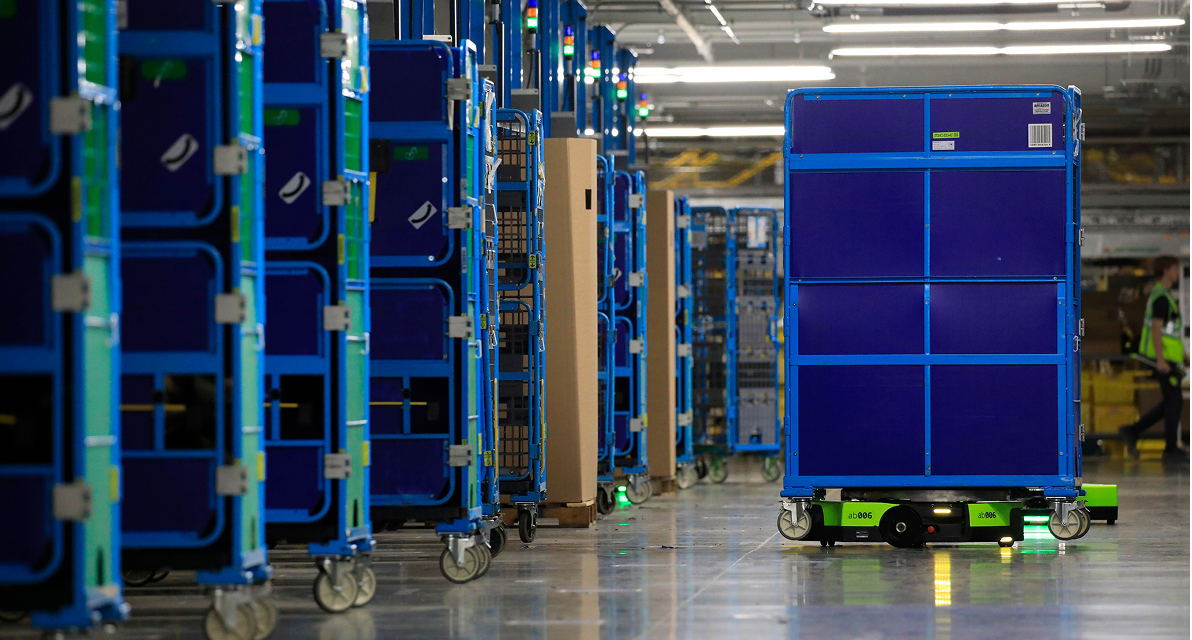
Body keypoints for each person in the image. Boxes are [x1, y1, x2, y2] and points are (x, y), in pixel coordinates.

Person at [1120, 256, 1187, 461]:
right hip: (1162, 360)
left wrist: (1183, 355)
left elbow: (1170, 332)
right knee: (1174, 401)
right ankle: (1169, 450)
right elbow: (1156, 331)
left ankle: (1133, 431)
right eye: (1175, 269)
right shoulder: (1161, 298)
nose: (1177, 273)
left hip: (1169, 359)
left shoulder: (1164, 296)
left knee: (1171, 402)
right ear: (1166, 270)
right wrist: (1161, 360)